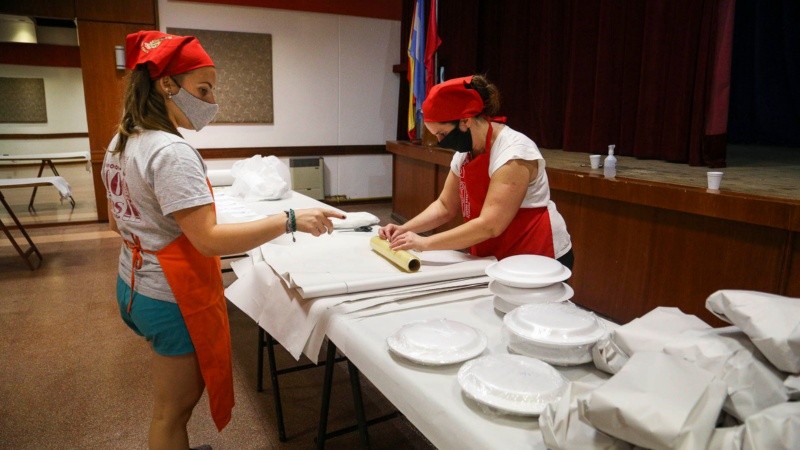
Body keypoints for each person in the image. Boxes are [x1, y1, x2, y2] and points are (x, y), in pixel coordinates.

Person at [101, 30, 344, 450]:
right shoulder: (170, 151)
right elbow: (209, 241)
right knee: (172, 411)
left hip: (133, 283)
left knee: (171, 406)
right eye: (203, 88)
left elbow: (114, 222)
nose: (211, 101)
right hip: (169, 295)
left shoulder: (122, 140)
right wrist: (288, 220)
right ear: (166, 84)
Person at [379, 75, 573, 269]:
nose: (439, 141)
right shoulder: (465, 153)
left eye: (442, 134)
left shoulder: (514, 152)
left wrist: (424, 243)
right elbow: (445, 206)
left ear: (465, 120)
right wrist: (404, 229)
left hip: (536, 253)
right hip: (494, 253)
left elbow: (490, 224)